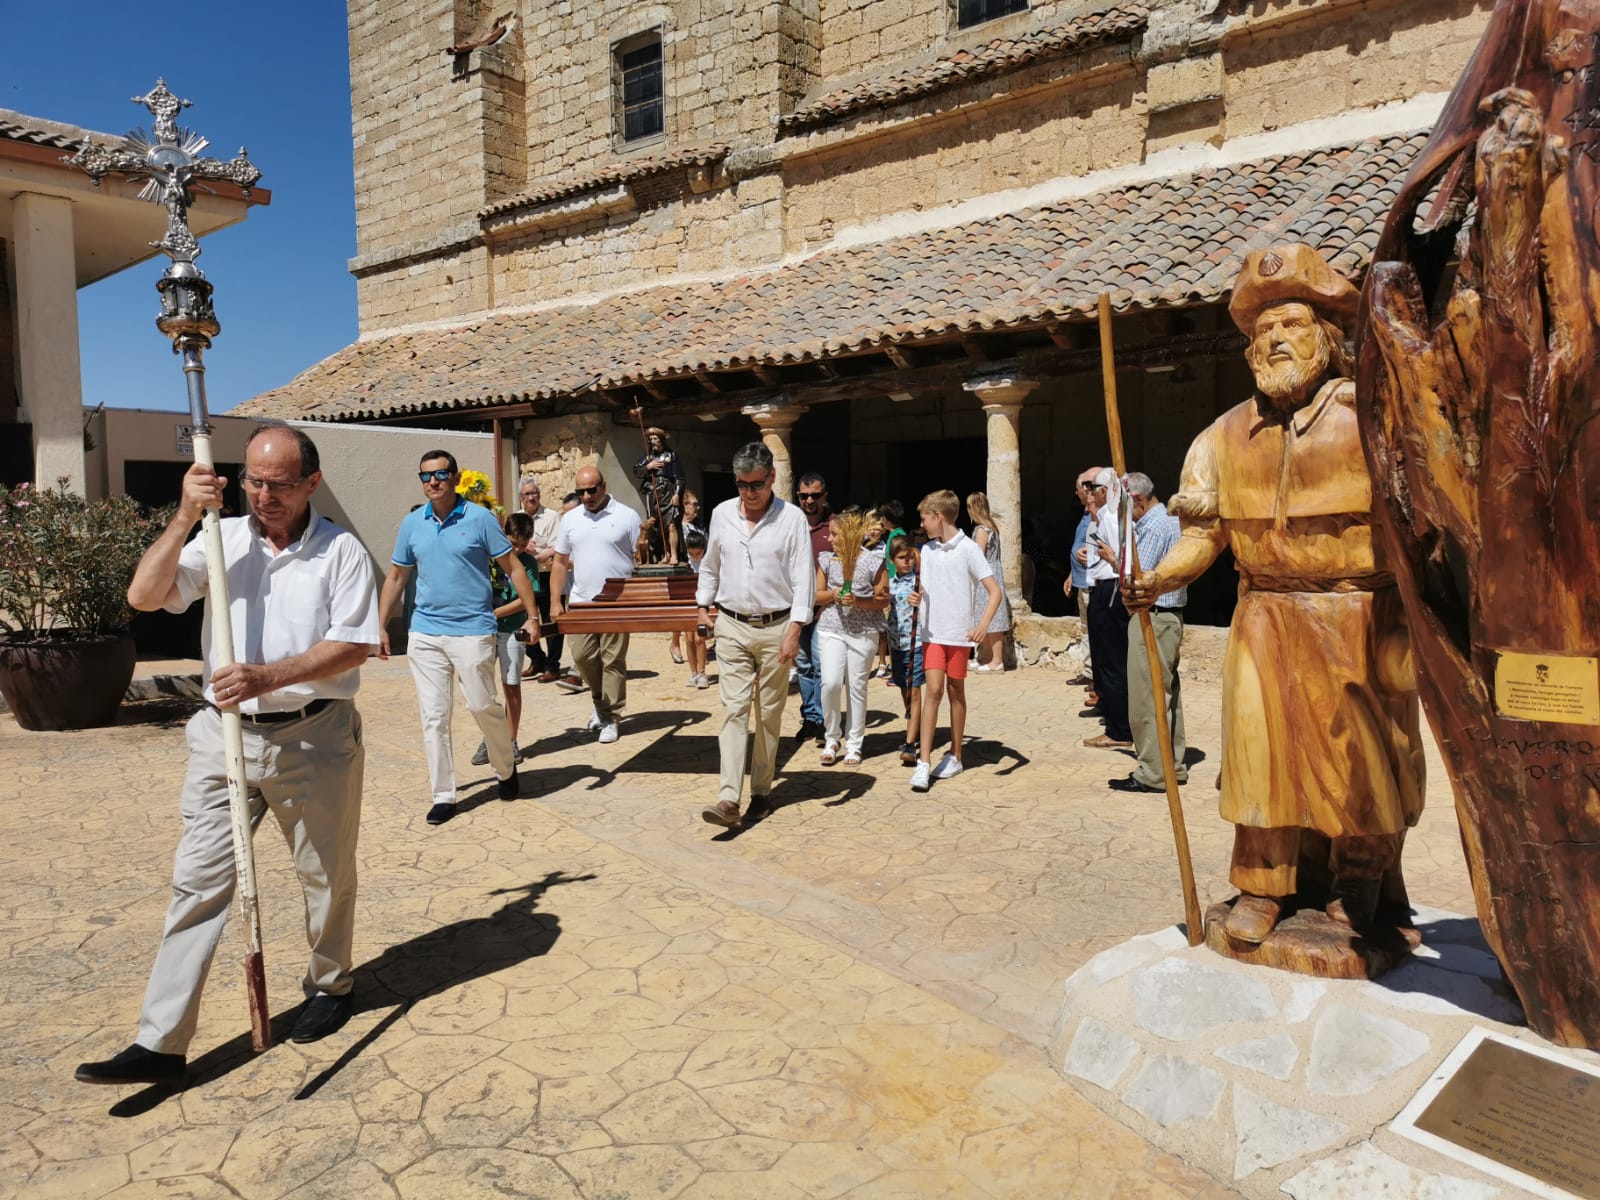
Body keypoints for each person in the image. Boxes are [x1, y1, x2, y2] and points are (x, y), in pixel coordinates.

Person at [1124, 242, 1425, 944]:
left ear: (1326, 334)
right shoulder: (1222, 437)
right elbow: (1206, 538)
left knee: (1365, 761)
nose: (1275, 341)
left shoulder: (1377, 421)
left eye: (1290, 325)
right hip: (1262, 616)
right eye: (1263, 332)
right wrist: (1158, 579)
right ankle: (1260, 887)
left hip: (1360, 612)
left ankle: (1360, 883)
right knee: (1258, 757)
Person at [76, 426, 379, 1085]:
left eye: (279, 483)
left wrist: (270, 675)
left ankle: (331, 985)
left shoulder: (340, 551)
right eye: (253, 480)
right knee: (199, 880)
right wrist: (186, 516)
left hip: (312, 733)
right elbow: (144, 596)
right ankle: (160, 1040)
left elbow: (355, 643)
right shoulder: (222, 540)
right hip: (224, 736)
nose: (263, 494)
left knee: (324, 876)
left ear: (312, 484)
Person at [380, 450, 536, 826]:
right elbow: (397, 577)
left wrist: (533, 616)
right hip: (426, 633)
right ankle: (443, 795)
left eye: (440, 474)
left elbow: (512, 567)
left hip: (472, 630)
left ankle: (505, 767)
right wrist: (380, 625)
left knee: (482, 706)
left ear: (455, 476)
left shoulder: (481, 519)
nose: (433, 481)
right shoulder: (412, 523)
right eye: (426, 476)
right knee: (434, 716)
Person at [696, 442, 815, 830]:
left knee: (768, 713)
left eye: (756, 485)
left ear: (772, 478)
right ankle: (728, 797)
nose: (749, 493)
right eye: (742, 484)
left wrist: (795, 629)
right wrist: (703, 607)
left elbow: (803, 579)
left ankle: (761, 790)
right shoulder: (721, 515)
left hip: (777, 626)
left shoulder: (792, 519)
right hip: (731, 625)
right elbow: (711, 566)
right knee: (733, 710)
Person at [909, 489, 1003, 791]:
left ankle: (956, 754)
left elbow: (994, 591)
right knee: (933, 690)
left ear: (939, 516)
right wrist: (916, 598)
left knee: (955, 690)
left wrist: (982, 625)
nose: (922, 524)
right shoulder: (927, 551)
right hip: (932, 633)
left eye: (925, 517)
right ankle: (923, 761)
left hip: (959, 635)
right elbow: (926, 589)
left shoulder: (968, 548)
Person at [550, 465, 642, 745]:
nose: (587, 496)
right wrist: (555, 601)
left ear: (604, 485)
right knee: (582, 657)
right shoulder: (570, 519)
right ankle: (600, 702)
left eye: (592, 489)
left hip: (617, 601)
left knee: (612, 659)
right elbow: (560, 562)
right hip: (581, 601)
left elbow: (642, 557)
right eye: (581, 491)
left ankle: (610, 716)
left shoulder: (627, 516)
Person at [1109, 473, 1187, 794]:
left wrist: (1118, 566)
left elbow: (1139, 578)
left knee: (1147, 695)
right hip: (1168, 617)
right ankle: (1173, 764)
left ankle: (1153, 772)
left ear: (1138, 501)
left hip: (1152, 617)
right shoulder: (1169, 521)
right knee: (1167, 694)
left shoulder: (1154, 526)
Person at [814, 508, 890, 765]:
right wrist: (834, 595)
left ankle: (855, 743)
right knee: (831, 683)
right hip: (832, 627)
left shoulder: (872, 560)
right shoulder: (827, 560)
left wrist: (858, 600)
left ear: (849, 534)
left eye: (835, 534)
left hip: (863, 631)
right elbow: (816, 595)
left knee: (857, 686)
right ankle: (832, 736)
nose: (830, 539)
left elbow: (883, 598)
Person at [472, 511, 539, 767]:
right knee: (484, 689)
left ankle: (510, 739)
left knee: (511, 684)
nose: (518, 549)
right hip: (485, 631)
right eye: (513, 544)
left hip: (511, 630)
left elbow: (526, 597)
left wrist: (496, 612)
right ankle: (490, 738)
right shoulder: (491, 559)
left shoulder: (528, 564)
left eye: (523, 545)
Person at [1082, 468, 1132, 751]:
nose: (1091, 493)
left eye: (1094, 488)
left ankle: (1119, 728)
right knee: (1107, 661)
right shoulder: (1107, 517)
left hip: (1110, 589)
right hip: (1105, 588)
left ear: (1106, 490)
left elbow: (1119, 557)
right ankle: (1117, 720)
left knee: (1112, 662)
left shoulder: (1112, 518)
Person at [792, 471, 831, 743]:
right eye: (804, 496)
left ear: (824, 496)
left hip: (825, 609)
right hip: (796, 608)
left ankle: (822, 720)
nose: (809, 500)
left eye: (815, 495)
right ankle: (810, 718)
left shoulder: (834, 528)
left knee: (821, 666)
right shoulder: (789, 525)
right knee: (803, 665)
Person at [517, 475, 566, 684]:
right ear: (521, 497)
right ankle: (536, 659)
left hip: (547, 575)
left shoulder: (552, 516)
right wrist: (522, 547)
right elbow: (510, 544)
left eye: (534, 493)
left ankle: (552, 666)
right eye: (527, 494)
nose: (531, 497)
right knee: (525, 618)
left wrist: (536, 555)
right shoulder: (516, 517)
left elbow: (557, 547)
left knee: (551, 620)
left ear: (539, 495)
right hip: (525, 576)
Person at [885, 534, 925, 766]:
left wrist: (922, 601)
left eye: (910, 557)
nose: (907, 562)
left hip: (916, 642)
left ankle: (910, 743)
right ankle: (913, 724)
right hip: (896, 643)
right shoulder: (889, 584)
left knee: (916, 688)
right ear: (892, 560)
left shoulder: (919, 582)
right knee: (905, 689)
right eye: (902, 558)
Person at [966, 492, 1012, 671]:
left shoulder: (981, 530)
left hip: (986, 574)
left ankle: (996, 660)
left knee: (992, 618)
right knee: (982, 613)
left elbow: (979, 555)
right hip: (993, 572)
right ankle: (985, 657)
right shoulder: (990, 527)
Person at [1064, 468, 1102, 688]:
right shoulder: (1088, 512)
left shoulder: (1100, 513)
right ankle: (1090, 671)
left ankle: (1098, 676)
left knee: (1096, 629)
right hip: (1081, 579)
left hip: (1092, 581)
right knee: (1086, 629)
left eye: (1080, 490)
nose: (1079, 494)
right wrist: (1071, 573)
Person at [633, 427, 684, 564]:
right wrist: (648, 467)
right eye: (651, 439)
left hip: (668, 491)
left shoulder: (671, 455)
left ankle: (674, 555)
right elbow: (637, 471)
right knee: (658, 527)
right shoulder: (649, 456)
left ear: (661, 440)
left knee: (671, 524)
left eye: (655, 439)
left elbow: (679, 477)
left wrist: (677, 494)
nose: (653, 442)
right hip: (654, 492)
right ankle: (664, 553)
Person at [671, 490, 709, 665]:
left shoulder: (698, 526)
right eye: (693, 504)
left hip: (698, 570)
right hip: (683, 572)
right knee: (682, 611)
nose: (697, 507)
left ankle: (700, 646)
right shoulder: (676, 526)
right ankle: (675, 643)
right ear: (684, 506)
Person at [683, 527, 711, 689]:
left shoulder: (708, 561)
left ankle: (702, 672)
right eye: (691, 553)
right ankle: (693, 672)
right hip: (687, 602)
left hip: (703, 602)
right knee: (688, 639)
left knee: (699, 638)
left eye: (698, 553)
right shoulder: (684, 562)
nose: (694, 556)